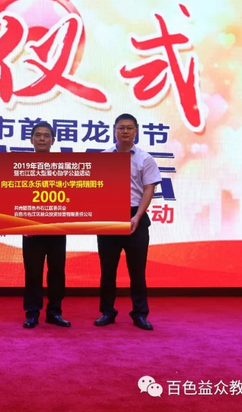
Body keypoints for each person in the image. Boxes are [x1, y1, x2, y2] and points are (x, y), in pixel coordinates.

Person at [94, 113, 161, 331]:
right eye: (121, 127)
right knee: (108, 269)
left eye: (129, 128)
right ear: (114, 130)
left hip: (136, 217)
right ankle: (107, 311)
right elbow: (95, 187)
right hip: (109, 217)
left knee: (137, 271)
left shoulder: (145, 159)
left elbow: (149, 189)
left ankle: (140, 314)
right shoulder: (104, 157)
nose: (125, 131)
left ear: (136, 131)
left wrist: (137, 216)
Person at [22, 122, 71, 329]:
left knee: (57, 271)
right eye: (38, 135)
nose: (42, 139)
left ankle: (54, 312)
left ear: (53, 140)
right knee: (33, 272)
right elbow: (13, 196)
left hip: (57, 227)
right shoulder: (21, 166)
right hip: (30, 229)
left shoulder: (63, 166)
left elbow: (71, 195)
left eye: (46, 135)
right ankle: (32, 313)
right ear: (31, 139)